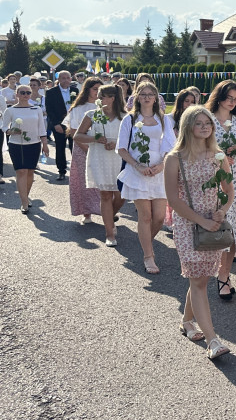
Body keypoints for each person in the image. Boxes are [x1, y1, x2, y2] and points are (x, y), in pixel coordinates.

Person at [164, 106, 234, 360]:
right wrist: (200, 222)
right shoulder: (174, 159)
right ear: (187, 127)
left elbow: (229, 190)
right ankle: (213, 340)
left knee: (201, 279)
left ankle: (186, 322)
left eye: (209, 123)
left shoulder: (217, 155)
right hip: (187, 225)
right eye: (199, 123)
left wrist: (222, 210)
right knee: (197, 279)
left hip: (213, 225)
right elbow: (173, 199)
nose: (205, 127)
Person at [117, 82, 176, 274]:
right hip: (138, 171)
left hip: (159, 171)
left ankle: (145, 242)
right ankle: (148, 256)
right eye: (143, 94)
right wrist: (138, 166)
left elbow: (171, 146)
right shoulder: (130, 119)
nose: (147, 97)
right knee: (146, 215)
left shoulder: (164, 119)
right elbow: (122, 148)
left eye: (151, 94)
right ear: (137, 97)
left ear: (156, 97)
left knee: (159, 217)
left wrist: (162, 165)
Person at [207, 80, 236, 300]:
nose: (232, 102)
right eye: (229, 98)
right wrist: (219, 157)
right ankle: (216, 273)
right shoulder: (206, 120)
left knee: (234, 232)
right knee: (219, 229)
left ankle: (224, 275)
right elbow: (196, 150)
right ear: (219, 96)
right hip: (214, 181)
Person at [78, 85, 126, 246]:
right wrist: (95, 138)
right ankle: (109, 233)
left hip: (119, 158)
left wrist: (117, 144)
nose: (98, 99)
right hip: (99, 157)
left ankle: (109, 217)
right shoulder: (92, 115)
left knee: (121, 195)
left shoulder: (125, 117)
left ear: (112, 98)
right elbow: (78, 136)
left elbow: (132, 140)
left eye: (102, 96)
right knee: (105, 195)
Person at [3, 84, 49, 213]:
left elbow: (41, 128)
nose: (25, 95)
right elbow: (3, 127)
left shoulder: (36, 109)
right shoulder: (10, 110)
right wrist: (10, 131)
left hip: (34, 144)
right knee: (21, 171)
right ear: (16, 94)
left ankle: (26, 195)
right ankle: (24, 201)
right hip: (16, 144)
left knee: (30, 172)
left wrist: (45, 144)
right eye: (22, 92)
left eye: (28, 93)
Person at [65, 77, 103, 223]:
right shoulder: (79, 108)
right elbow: (75, 132)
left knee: (104, 180)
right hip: (83, 148)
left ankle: (106, 210)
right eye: (95, 89)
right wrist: (88, 149)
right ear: (87, 90)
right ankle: (86, 212)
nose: (97, 92)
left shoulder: (105, 107)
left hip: (102, 147)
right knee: (85, 180)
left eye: (100, 90)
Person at [45, 70, 78, 181]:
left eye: (67, 78)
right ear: (58, 79)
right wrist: (55, 124)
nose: (65, 80)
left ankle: (76, 171)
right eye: (63, 78)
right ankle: (62, 171)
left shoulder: (75, 90)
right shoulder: (51, 92)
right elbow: (50, 110)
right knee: (60, 148)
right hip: (59, 124)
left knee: (75, 148)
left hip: (73, 124)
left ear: (71, 79)